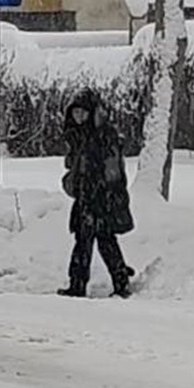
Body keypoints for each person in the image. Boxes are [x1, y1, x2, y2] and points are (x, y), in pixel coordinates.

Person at [60, 89, 136, 298]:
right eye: (75, 112)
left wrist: (105, 191)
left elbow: (112, 170)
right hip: (87, 197)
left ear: (92, 113)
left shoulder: (104, 136)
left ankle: (113, 283)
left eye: (83, 112)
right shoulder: (79, 136)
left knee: (100, 240)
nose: (78, 116)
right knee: (90, 241)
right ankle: (104, 282)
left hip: (102, 198)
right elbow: (76, 164)